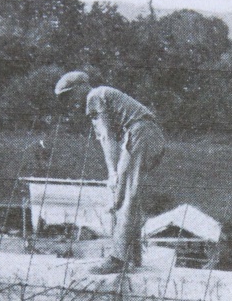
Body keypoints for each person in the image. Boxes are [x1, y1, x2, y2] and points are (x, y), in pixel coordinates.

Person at [54, 72, 165, 273]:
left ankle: (118, 258)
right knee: (130, 193)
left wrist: (112, 173)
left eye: (68, 95)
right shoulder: (102, 95)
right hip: (147, 134)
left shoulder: (94, 97)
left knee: (123, 195)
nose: (69, 102)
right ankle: (133, 256)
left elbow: (107, 137)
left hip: (140, 133)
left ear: (81, 87)